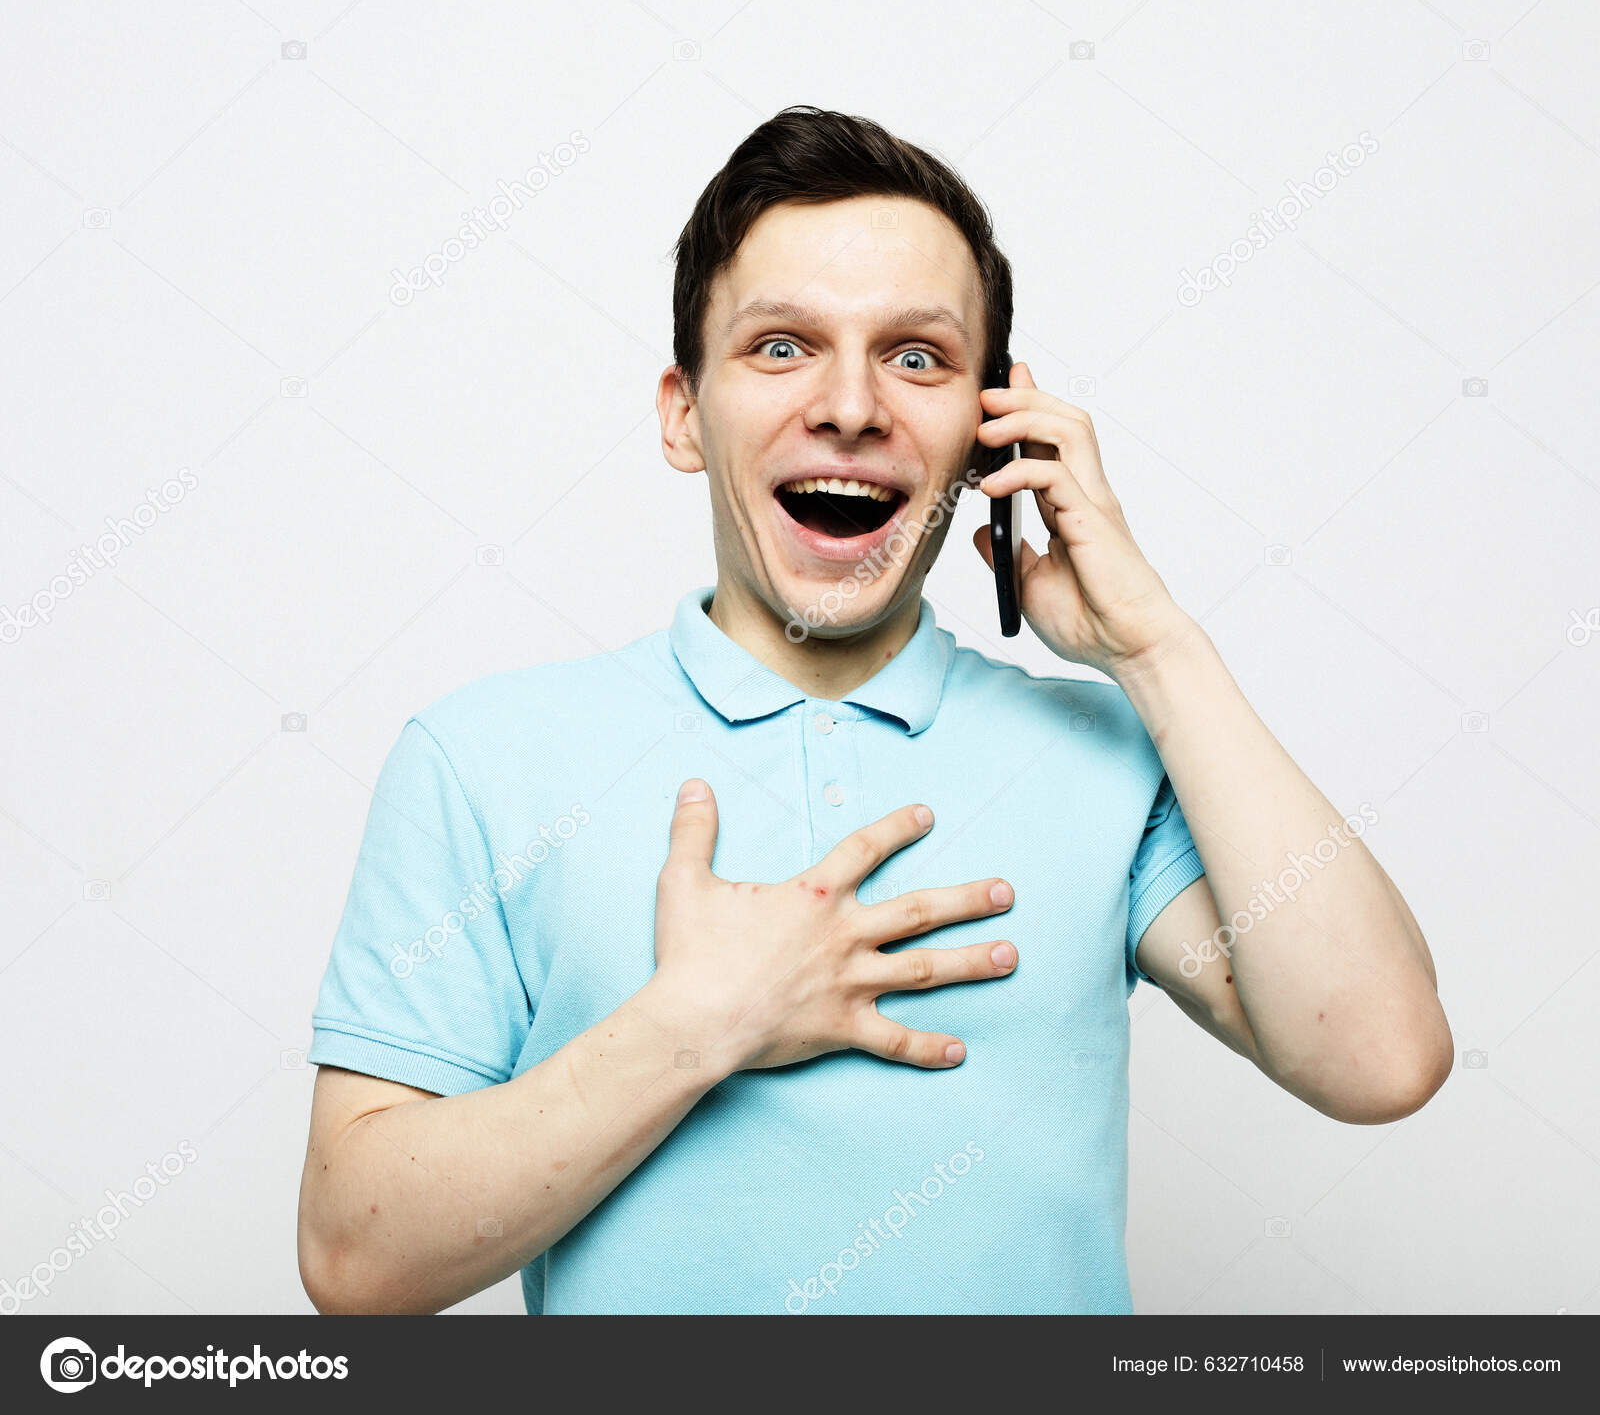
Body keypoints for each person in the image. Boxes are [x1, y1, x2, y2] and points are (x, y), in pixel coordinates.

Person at [297, 105, 1451, 1316]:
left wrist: (1155, 648)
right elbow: (357, 1260)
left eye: (917, 357)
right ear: (684, 412)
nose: (851, 405)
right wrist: (700, 1023)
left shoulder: (1104, 754)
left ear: (989, 431)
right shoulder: (484, 760)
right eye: (782, 346)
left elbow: (1379, 1057)